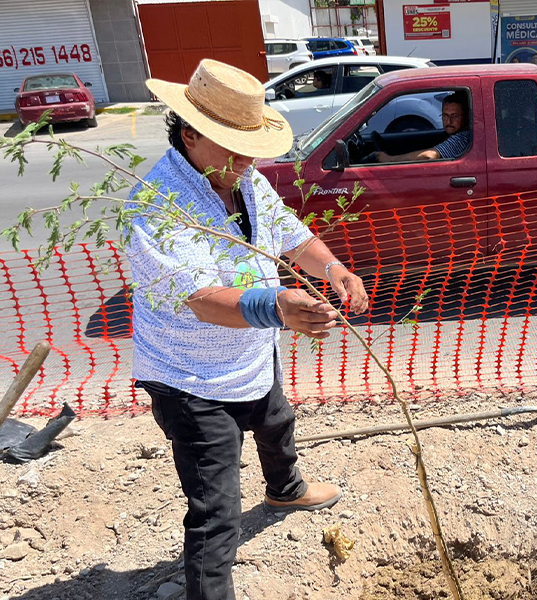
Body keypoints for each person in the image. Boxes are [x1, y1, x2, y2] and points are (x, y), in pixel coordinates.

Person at [127, 59, 369, 600]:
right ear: (190, 134)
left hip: (249, 353)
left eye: (251, 149)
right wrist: (277, 307)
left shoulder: (244, 179)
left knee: (275, 419)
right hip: (191, 378)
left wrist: (334, 269)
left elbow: (291, 234)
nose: (247, 162)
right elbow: (201, 300)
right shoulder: (158, 206)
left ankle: (285, 490)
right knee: (216, 510)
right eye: (234, 149)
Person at [374, 91, 471, 162]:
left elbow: (429, 156)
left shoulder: (463, 138)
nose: (448, 121)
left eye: (454, 116)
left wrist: (390, 159)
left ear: (466, 117)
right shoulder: (455, 134)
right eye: (445, 115)